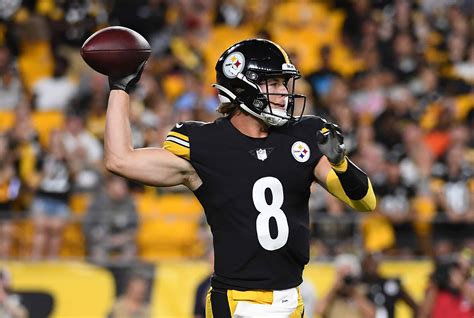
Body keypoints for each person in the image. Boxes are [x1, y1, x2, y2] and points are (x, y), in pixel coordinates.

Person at [104, 38, 376, 317]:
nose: (284, 93)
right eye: (273, 84)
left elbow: (365, 202)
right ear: (243, 87)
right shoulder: (207, 145)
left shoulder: (302, 137)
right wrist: (120, 87)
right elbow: (120, 160)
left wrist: (341, 162)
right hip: (238, 302)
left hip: (292, 299)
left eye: (284, 83)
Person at [82, 174, 139, 265]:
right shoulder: (97, 203)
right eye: (119, 186)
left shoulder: (129, 204)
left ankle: (122, 277)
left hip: (122, 241)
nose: (123, 189)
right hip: (101, 241)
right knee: (98, 255)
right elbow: (88, 228)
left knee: (130, 252)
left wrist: (123, 238)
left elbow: (134, 228)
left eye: (124, 186)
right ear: (110, 186)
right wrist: (105, 238)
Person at [316, 253, 376, 318]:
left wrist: (353, 293)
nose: (345, 279)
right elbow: (318, 311)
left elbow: (372, 315)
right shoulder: (331, 294)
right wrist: (334, 289)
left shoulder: (363, 291)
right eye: (341, 274)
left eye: (348, 276)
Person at [361, 253, 418, 318]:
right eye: (366, 265)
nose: (370, 268)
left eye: (372, 264)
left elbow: (413, 305)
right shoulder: (358, 286)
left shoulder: (389, 284)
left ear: (377, 265)